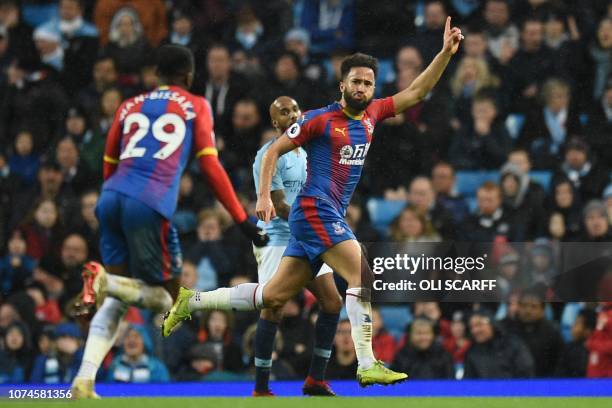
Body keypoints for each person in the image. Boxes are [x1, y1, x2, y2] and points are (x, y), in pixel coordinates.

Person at [163, 17, 464, 387]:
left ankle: (192, 302)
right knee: (362, 274)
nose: (362, 87)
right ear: (343, 84)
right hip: (314, 210)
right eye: (356, 81)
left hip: (320, 218)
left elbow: (417, 92)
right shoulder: (319, 120)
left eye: (368, 82)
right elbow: (274, 150)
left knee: (271, 296)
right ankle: (367, 362)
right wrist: (261, 195)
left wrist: (445, 54)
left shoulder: (373, 113)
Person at [70, 45, 268, 399]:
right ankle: (103, 281)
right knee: (167, 300)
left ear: (155, 75)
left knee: (119, 294)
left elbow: (109, 162)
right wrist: (241, 219)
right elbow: (210, 166)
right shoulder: (197, 105)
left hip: (111, 196)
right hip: (148, 204)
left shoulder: (127, 105)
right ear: (189, 76)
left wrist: (110, 202)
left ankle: (84, 380)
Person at [250, 96, 341, 396]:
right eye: (283, 113)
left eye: (295, 111)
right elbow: (277, 204)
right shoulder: (268, 155)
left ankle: (315, 379)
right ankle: (261, 388)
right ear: (275, 122)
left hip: (308, 236)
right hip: (278, 238)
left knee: (332, 303)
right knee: (273, 307)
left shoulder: (312, 152)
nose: (292, 116)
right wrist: (317, 222)